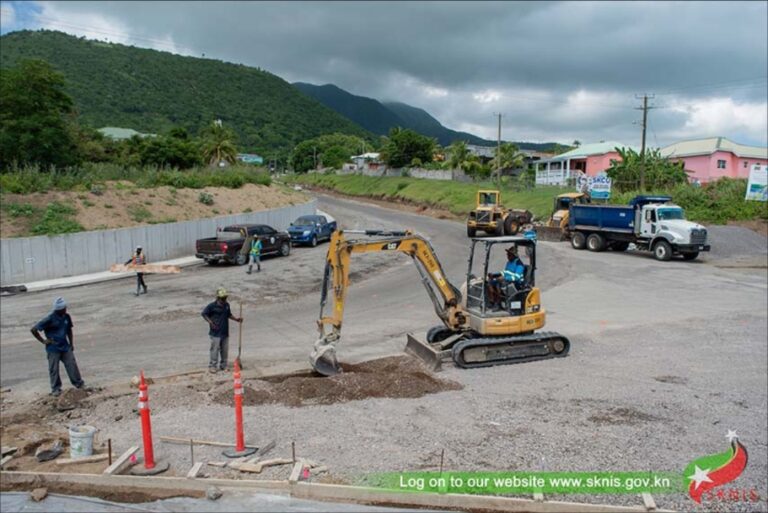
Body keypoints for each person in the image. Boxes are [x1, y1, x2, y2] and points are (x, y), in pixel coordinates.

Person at [30, 297, 85, 396]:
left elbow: (69, 330)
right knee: (54, 369)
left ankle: (79, 383)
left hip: (65, 346)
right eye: (63, 308)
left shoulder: (66, 317)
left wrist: (71, 343)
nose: (65, 309)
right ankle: (56, 389)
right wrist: (43, 341)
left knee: (72, 365)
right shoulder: (49, 319)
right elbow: (34, 329)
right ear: (58, 309)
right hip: (53, 348)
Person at [201, 288, 242, 372]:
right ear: (218, 298)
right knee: (214, 349)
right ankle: (212, 366)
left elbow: (228, 314)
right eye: (222, 298)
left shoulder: (227, 305)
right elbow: (204, 314)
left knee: (224, 350)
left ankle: (223, 365)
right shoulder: (212, 306)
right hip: (215, 332)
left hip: (224, 332)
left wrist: (236, 319)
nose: (224, 299)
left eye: (225, 298)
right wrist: (210, 322)